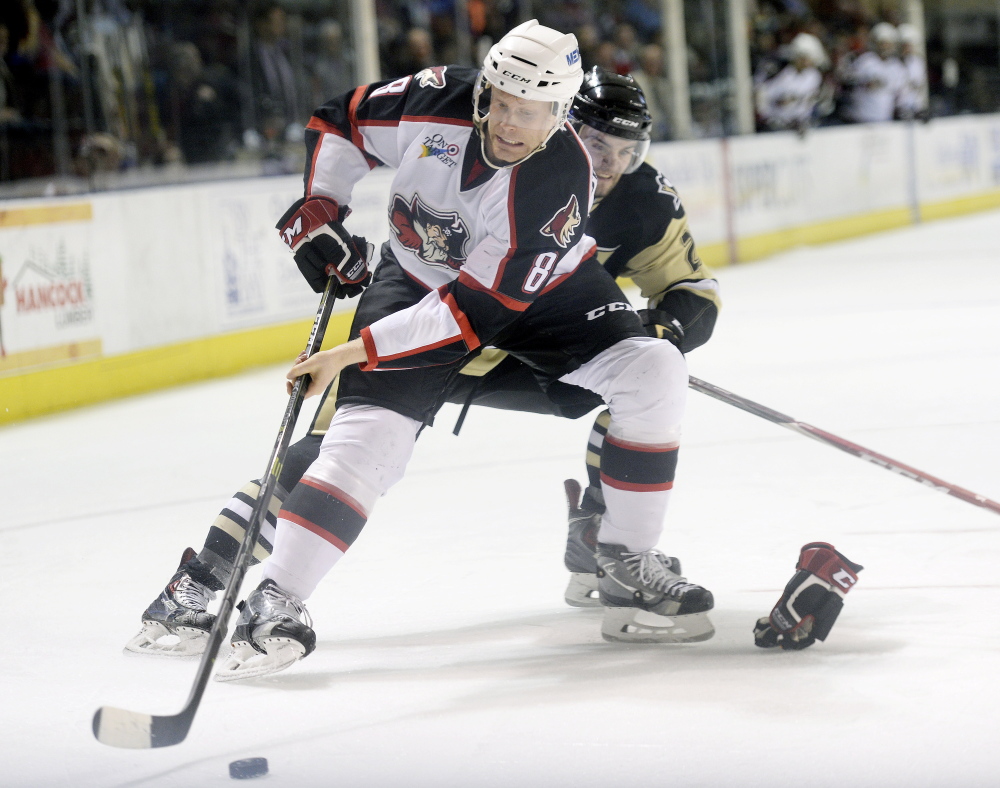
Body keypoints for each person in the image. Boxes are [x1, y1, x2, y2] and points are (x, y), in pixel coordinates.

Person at [126, 24, 715, 678]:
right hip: (415, 285)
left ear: (559, 115)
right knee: (350, 445)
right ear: (487, 86)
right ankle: (259, 593)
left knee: (654, 371)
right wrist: (318, 211)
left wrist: (351, 355)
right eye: (504, 101)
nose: (512, 124)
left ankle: (626, 555)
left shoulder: (562, 178)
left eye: (533, 111)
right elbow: (341, 122)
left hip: (539, 301)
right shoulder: (434, 98)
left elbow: (474, 312)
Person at [755, 32, 826, 133]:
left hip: (799, 127)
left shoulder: (814, 76)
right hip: (773, 127)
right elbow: (761, 98)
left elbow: (809, 104)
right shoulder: (779, 72)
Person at [838, 22, 905, 125]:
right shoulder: (866, 61)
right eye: (882, 43)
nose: (885, 47)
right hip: (861, 117)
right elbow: (847, 83)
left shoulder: (897, 67)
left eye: (888, 43)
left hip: (886, 118)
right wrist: (864, 83)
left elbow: (900, 93)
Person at [895, 23, 927, 120]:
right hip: (898, 109)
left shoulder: (918, 63)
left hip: (916, 107)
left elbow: (920, 84)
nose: (907, 49)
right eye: (904, 45)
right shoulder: (894, 63)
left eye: (909, 45)